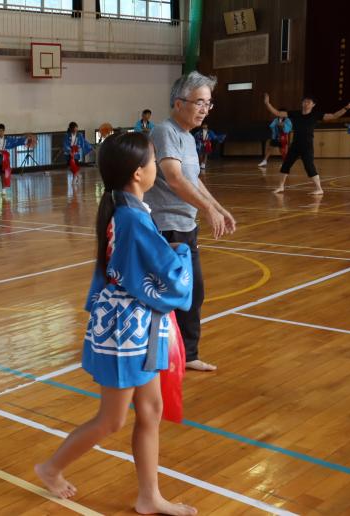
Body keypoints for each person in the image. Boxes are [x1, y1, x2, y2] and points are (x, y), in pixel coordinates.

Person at [34, 132, 196, 516]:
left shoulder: (128, 210)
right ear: (139, 173)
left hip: (138, 324)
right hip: (126, 329)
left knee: (151, 409)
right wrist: (183, 251)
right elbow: (170, 277)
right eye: (154, 161)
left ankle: (148, 496)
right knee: (112, 420)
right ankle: (51, 468)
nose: (157, 167)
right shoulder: (130, 218)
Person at [144, 71, 237, 372]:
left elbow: (194, 180)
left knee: (193, 293)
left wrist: (218, 208)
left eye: (208, 104)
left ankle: (188, 354)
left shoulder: (187, 137)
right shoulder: (164, 132)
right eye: (199, 102)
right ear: (178, 102)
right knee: (166, 297)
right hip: (165, 227)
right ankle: (156, 356)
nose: (204, 109)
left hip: (186, 227)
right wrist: (208, 211)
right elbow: (174, 179)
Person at [264, 94, 350, 195]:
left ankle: (319, 189)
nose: (306, 103)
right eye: (304, 101)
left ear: (313, 105)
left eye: (308, 102)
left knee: (309, 167)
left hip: (307, 146)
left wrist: (347, 107)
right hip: (295, 145)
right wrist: (268, 103)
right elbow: (278, 112)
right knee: (285, 165)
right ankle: (281, 187)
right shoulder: (295, 113)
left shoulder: (315, 115)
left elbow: (334, 116)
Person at [0, 124, 32, 196]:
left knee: (3, 175)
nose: (1, 133)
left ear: (4, 131)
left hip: (4, 158)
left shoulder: (8, 139)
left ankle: (4, 190)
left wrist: (26, 139)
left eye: (2, 131)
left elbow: (17, 141)